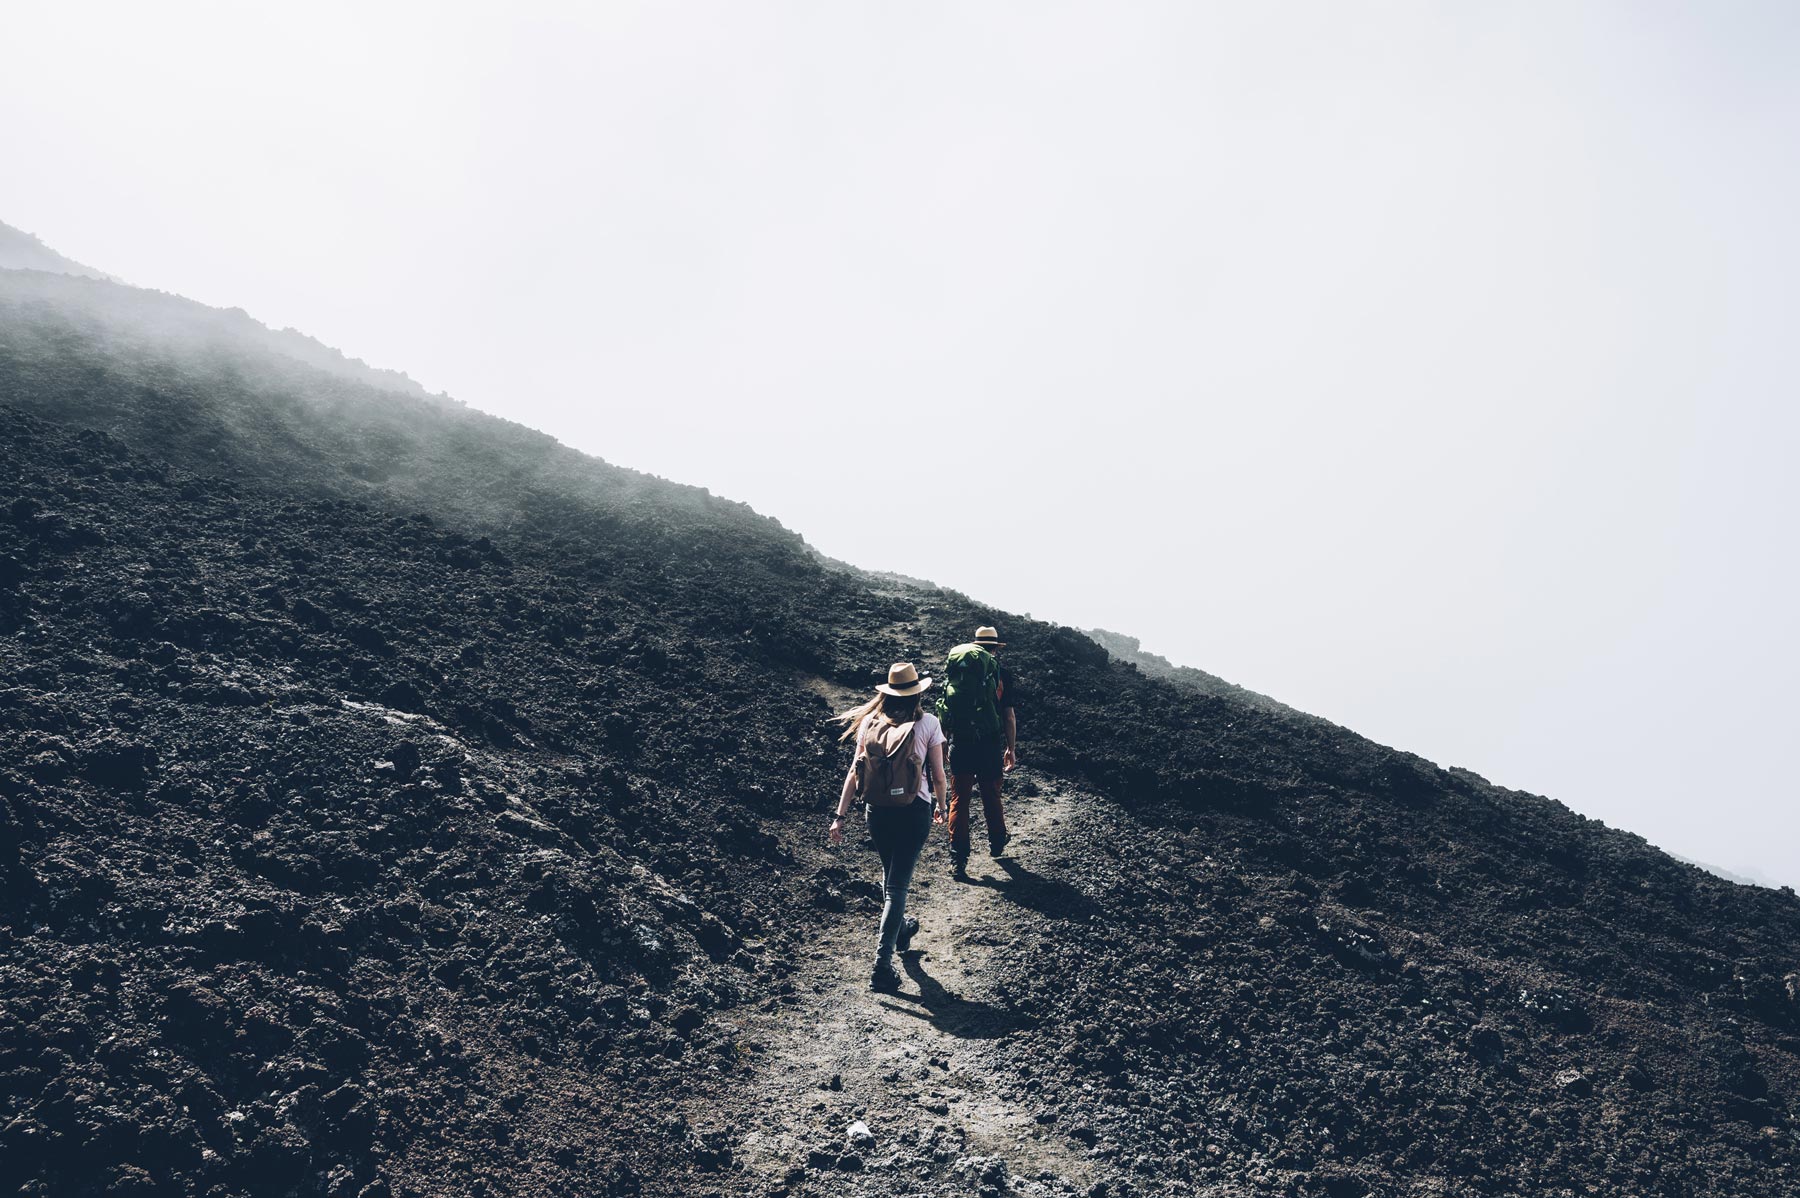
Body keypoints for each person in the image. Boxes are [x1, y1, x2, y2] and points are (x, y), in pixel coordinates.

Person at [828, 662, 949, 993]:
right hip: (914, 811)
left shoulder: (869, 723)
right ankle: (882, 966)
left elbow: (855, 773)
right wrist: (941, 805)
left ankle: (901, 930)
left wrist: (840, 816)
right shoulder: (928, 724)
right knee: (896, 888)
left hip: (877, 812)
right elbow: (938, 775)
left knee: (890, 878)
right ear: (917, 693)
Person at [944, 626, 1018, 877]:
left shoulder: (958, 671)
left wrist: (945, 743)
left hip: (961, 743)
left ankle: (958, 857)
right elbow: (1008, 716)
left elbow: (947, 708)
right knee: (991, 793)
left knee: (959, 799)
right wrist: (1011, 748)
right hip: (988, 743)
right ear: (995, 648)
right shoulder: (1002, 674)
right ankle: (997, 841)